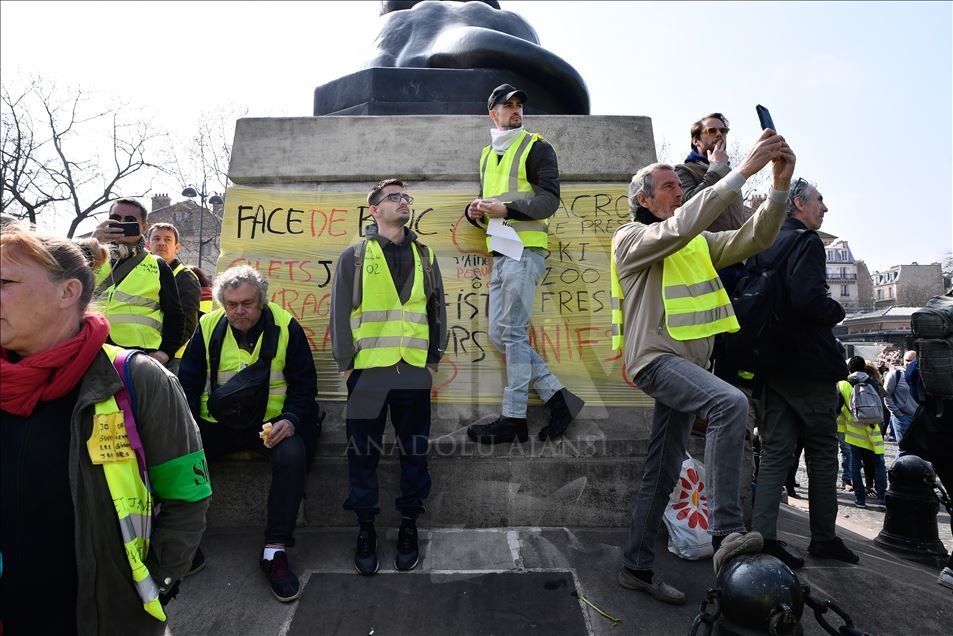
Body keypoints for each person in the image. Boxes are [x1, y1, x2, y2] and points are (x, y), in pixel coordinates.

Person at [611, 128, 795, 604]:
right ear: (645, 199)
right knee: (730, 403)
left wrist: (777, 186)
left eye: (680, 184)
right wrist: (742, 170)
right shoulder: (631, 238)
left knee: (663, 469)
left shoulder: (695, 242)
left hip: (686, 368)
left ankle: (636, 565)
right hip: (655, 362)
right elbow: (680, 226)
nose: (679, 190)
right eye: (670, 186)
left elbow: (755, 236)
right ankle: (727, 533)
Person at [1, 227, 210, 634]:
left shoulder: (139, 380)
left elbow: (189, 496)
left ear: (68, 293)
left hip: (104, 617)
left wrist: (154, 586)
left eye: (4, 282)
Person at [178, 265, 317, 602]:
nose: (239, 311)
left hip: (270, 426)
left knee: (293, 456)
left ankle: (274, 551)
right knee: (179, 454)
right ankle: (182, 545)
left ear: (262, 301)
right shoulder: (208, 325)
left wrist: (292, 420)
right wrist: (190, 428)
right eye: (231, 304)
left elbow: (304, 384)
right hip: (218, 425)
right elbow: (189, 382)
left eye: (248, 304)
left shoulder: (285, 326)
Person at [330, 179, 447, 575]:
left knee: (414, 452)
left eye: (406, 197)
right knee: (362, 455)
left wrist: (432, 361)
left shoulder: (426, 256)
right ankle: (366, 528)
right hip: (367, 374)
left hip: (413, 371)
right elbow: (340, 313)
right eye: (394, 197)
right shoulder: (355, 256)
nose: (403, 202)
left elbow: (437, 312)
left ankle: (409, 524)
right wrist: (347, 365)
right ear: (374, 209)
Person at [749, 178, 858, 570]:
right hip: (809, 366)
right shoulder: (808, 243)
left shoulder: (765, 241)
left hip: (771, 365)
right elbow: (809, 300)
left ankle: (764, 537)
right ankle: (824, 538)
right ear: (798, 203)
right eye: (820, 200)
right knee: (824, 452)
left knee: (776, 452)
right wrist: (836, 311)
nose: (825, 207)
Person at [464, 84, 584, 444]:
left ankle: (514, 418)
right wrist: (476, 213)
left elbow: (549, 200)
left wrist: (507, 209)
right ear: (493, 114)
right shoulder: (487, 155)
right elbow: (494, 204)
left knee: (512, 334)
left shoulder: (537, 146)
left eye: (519, 105)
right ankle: (558, 397)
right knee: (498, 335)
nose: (515, 111)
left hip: (525, 250)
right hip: (500, 250)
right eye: (507, 105)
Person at [92, 198, 184, 366]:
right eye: (115, 218)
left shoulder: (158, 264)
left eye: (130, 221)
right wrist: (91, 244)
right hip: (90, 348)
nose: (121, 223)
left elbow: (175, 315)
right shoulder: (91, 256)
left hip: (137, 355)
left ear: (144, 227)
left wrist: (165, 352)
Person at [675, 112, 745, 233]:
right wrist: (716, 168)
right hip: (706, 248)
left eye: (723, 131)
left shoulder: (730, 174)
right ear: (695, 140)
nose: (719, 134)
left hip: (738, 247)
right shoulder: (682, 170)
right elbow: (688, 206)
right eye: (711, 131)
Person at [148, 222, 201, 373]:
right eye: (156, 239)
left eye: (168, 239)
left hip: (173, 358)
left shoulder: (186, 277)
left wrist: (165, 352)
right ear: (147, 244)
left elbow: (189, 321)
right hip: (149, 353)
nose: (161, 243)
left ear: (177, 247)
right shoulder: (144, 274)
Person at [838, 357, 887, 508]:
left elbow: (836, 408)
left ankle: (860, 500)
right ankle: (882, 500)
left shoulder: (843, 384)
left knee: (855, 465)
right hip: (874, 431)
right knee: (879, 465)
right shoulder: (874, 383)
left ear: (849, 369)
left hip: (854, 432)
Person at [883, 351, 918, 447]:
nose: (909, 363)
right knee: (904, 448)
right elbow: (886, 394)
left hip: (919, 417)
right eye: (907, 360)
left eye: (912, 360)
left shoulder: (921, 374)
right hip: (903, 417)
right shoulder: (895, 374)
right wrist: (897, 413)